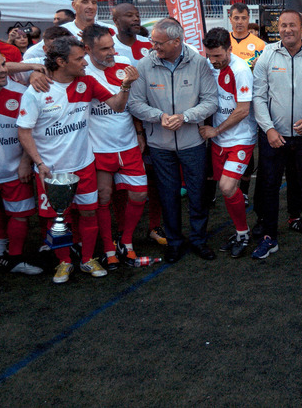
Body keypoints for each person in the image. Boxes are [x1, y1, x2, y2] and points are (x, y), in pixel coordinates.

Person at [17, 36, 138, 283]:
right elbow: (24, 131)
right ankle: (64, 262)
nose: (85, 62)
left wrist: (125, 86)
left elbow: (116, 105)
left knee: (89, 213)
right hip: (52, 171)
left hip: (84, 165)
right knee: (57, 219)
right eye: (79, 58)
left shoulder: (87, 82)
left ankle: (86, 259)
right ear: (61, 62)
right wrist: (39, 163)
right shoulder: (36, 91)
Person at [127, 18, 218, 263]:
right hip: (160, 145)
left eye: (158, 43)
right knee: (168, 196)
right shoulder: (144, 65)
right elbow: (134, 103)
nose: (153, 46)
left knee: (198, 195)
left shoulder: (198, 62)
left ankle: (199, 240)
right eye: (153, 42)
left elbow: (211, 101)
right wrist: (160, 117)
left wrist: (186, 117)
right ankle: (175, 243)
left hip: (193, 144)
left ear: (177, 41)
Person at [251, 10, 302, 259]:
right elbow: (258, 97)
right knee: (269, 186)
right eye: (283, 25)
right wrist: (269, 129)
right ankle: (269, 237)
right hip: (274, 137)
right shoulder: (267, 54)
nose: (287, 30)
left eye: (292, 25)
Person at [79, 24, 148, 270]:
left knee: (140, 193)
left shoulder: (123, 61)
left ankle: (125, 240)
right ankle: (108, 249)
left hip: (128, 143)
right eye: (104, 49)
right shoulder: (81, 70)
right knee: (104, 196)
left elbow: (133, 103)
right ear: (88, 49)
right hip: (98, 147)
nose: (111, 52)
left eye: (112, 46)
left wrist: (139, 131)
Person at [198, 28, 257, 259]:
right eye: (210, 56)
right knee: (227, 190)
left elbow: (243, 110)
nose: (213, 61)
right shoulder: (209, 64)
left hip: (240, 139)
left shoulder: (240, 70)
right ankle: (240, 231)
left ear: (230, 49)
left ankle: (243, 233)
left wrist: (215, 129)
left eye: (218, 56)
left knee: (226, 187)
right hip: (219, 141)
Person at [0, 46, 41, 281]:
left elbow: (32, 131)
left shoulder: (21, 93)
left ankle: (16, 259)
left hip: (15, 169)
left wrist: (24, 162)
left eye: (3, 65)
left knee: (20, 215)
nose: (3, 71)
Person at [228, 3, 266, 69]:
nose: (240, 22)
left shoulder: (260, 44)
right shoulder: (223, 40)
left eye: (243, 18)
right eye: (236, 18)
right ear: (230, 19)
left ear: (248, 19)